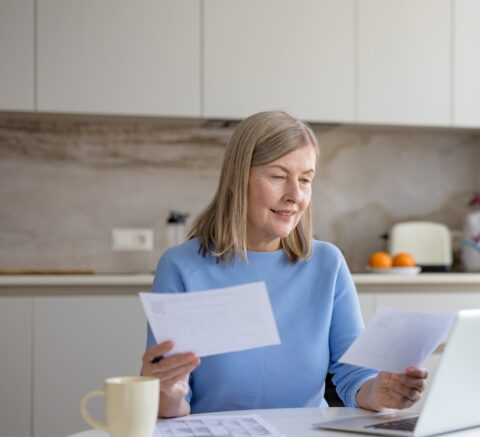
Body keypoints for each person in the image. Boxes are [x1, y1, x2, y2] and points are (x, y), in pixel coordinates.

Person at [140, 111, 427, 418]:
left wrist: (382, 392)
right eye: (278, 176)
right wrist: (163, 393)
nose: (295, 195)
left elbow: (355, 379)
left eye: (305, 179)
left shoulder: (327, 265)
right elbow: (173, 402)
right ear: (237, 180)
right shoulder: (182, 267)